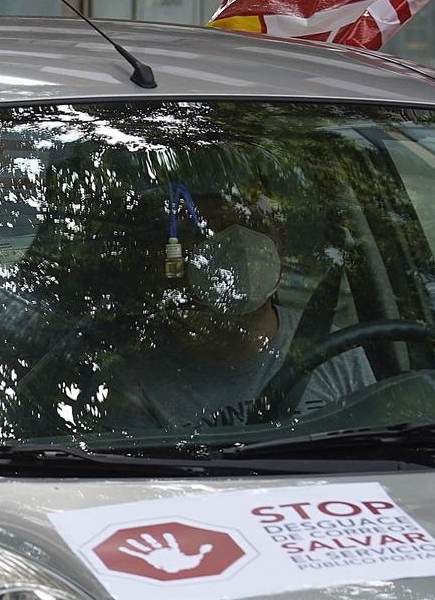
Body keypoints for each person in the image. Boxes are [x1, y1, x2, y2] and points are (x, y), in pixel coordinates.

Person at [112, 182, 375, 433]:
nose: (241, 245)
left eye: (255, 224)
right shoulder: (136, 387)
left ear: (281, 242)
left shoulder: (338, 353)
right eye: (217, 229)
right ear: (179, 254)